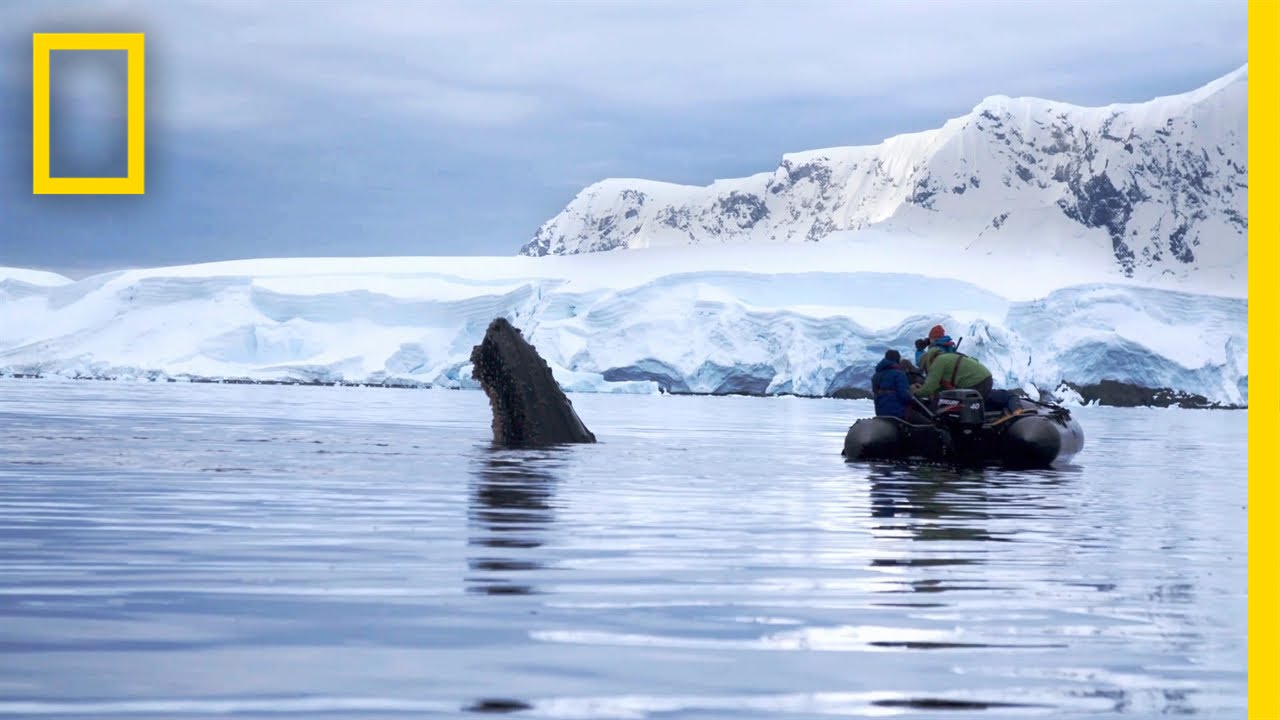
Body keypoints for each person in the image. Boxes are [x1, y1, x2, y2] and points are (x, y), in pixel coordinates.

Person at [912, 333, 994, 402]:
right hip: (986, 377)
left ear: (927, 361)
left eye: (924, 367)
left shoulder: (937, 362)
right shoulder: (945, 356)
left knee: (958, 408)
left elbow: (930, 387)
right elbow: (939, 387)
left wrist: (915, 392)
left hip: (976, 382)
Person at [871, 349, 915, 420]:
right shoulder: (899, 374)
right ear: (897, 360)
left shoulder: (876, 375)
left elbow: (875, 392)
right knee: (924, 422)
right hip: (897, 412)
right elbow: (904, 395)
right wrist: (912, 398)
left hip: (880, 412)